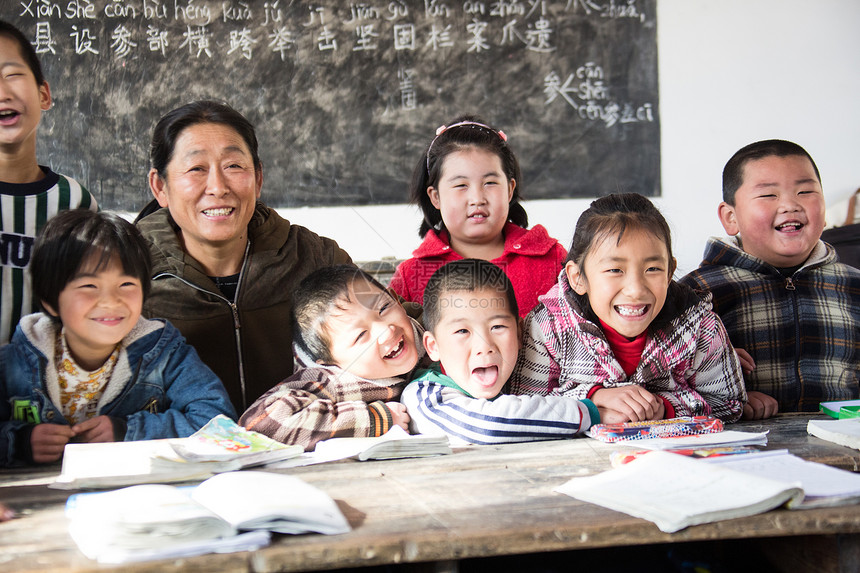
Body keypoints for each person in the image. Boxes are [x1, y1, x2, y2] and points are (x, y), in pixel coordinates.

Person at [136, 101, 352, 412]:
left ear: (258, 177)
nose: (218, 187)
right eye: (196, 169)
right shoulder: (129, 274)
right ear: (160, 186)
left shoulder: (314, 258)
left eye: (234, 166)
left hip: (303, 450)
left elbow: (393, 328)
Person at [0, 210, 236, 467]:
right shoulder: (13, 362)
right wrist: (19, 440)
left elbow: (217, 421)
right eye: (89, 287)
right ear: (51, 301)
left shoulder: (165, 354)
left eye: (126, 285)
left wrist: (128, 431)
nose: (111, 301)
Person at [511, 193, 746, 423]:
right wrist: (592, 399)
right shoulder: (547, 326)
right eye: (615, 270)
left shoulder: (701, 327)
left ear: (669, 273)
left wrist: (664, 408)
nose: (635, 290)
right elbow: (524, 405)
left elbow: (730, 403)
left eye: (653, 269)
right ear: (577, 278)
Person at [681, 140, 860, 419]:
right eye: (768, 196)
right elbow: (669, 378)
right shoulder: (697, 293)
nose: (790, 204)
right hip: (741, 452)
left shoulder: (853, 286)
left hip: (844, 452)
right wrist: (731, 398)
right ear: (731, 217)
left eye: (806, 191)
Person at [400, 259, 602, 446]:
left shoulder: (520, 380)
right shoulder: (423, 397)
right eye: (462, 331)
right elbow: (488, 424)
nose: (484, 345)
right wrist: (589, 412)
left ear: (519, 333)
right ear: (433, 346)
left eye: (497, 327)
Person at [388, 115, 566, 318]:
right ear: (435, 197)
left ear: (509, 190)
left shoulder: (552, 259)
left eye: (490, 183)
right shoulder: (412, 275)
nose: (477, 198)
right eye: (461, 185)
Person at [239, 265, 421, 451]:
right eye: (360, 335)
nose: (386, 331)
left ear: (396, 300)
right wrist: (377, 418)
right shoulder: (329, 380)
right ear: (329, 361)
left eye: (383, 308)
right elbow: (259, 423)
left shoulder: (428, 328)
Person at [0, 20, 98, 345]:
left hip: (46, 386)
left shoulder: (76, 203)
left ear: (44, 93)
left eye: (12, 74)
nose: (2, 92)